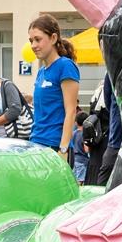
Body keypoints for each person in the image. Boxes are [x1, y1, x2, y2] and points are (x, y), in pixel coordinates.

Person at [27, 14, 79, 156]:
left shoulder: (65, 66)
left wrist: (63, 149)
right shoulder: (41, 72)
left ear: (54, 38)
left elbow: (71, 111)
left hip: (55, 146)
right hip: (36, 143)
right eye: (31, 40)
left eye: (38, 39)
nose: (33, 45)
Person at [96, 74, 122, 186]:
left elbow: (107, 101)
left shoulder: (113, 69)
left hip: (116, 140)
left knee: (104, 184)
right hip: (119, 142)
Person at [70, 111, 89, 184]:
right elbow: (86, 150)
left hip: (75, 159)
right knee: (80, 180)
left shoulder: (73, 133)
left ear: (76, 122)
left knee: (74, 179)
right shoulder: (84, 134)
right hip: (82, 161)